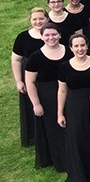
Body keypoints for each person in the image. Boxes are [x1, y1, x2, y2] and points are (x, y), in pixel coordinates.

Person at [56, 33, 90, 182]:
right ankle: (82, 177)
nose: (80, 49)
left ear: (87, 46)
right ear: (71, 48)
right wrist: (60, 113)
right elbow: (62, 90)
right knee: (78, 138)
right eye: (76, 46)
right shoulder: (65, 67)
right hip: (75, 107)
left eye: (82, 45)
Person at [25, 23, 69, 170]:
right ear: (42, 37)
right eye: (47, 35)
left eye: (54, 34)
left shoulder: (69, 51)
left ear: (60, 35)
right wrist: (36, 103)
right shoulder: (36, 57)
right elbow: (30, 82)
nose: (51, 38)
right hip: (47, 97)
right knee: (53, 129)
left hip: (68, 93)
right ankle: (60, 160)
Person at [11, 8, 47, 147]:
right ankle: (33, 137)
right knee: (31, 105)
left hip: (46, 77)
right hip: (28, 76)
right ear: (30, 20)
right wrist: (19, 81)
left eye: (41, 18)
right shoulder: (23, 37)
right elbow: (16, 60)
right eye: (35, 19)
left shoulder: (52, 34)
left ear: (47, 19)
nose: (38, 21)